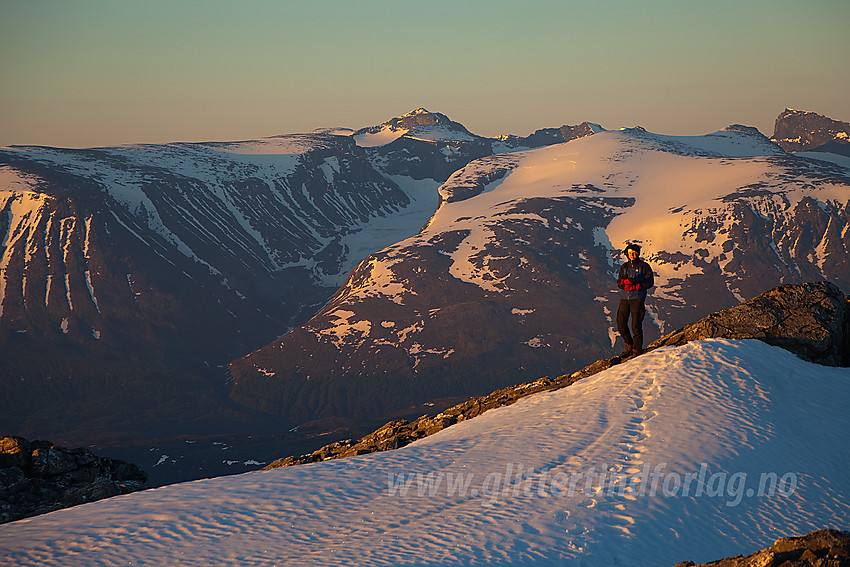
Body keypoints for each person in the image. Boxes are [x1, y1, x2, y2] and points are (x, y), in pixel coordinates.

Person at [616, 243, 654, 357]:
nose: (632, 255)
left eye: (634, 253)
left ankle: (637, 350)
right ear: (627, 254)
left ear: (637, 253)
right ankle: (629, 345)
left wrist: (637, 286)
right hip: (625, 298)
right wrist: (625, 285)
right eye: (630, 253)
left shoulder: (644, 266)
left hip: (637, 298)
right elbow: (619, 282)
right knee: (621, 323)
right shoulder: (624, 267)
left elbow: (650, 282)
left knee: (636, 325)